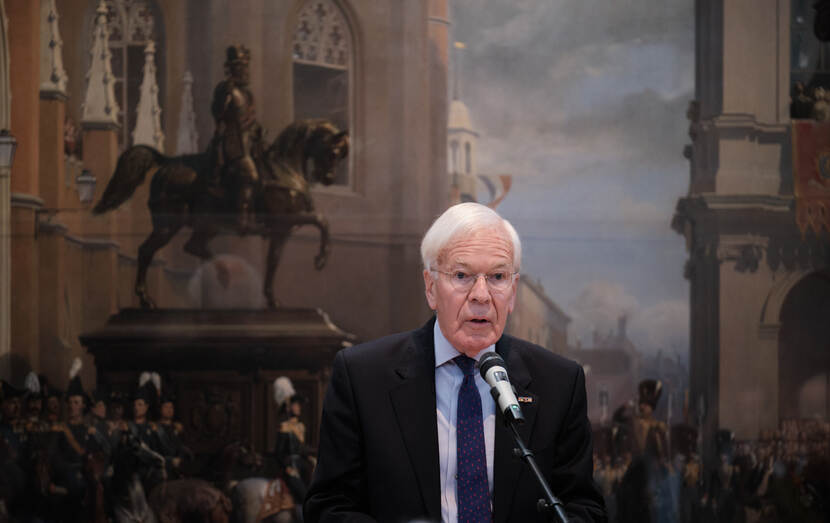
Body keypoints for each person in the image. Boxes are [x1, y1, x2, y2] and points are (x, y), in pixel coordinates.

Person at [305, 202, 606, 522]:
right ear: (431, 287)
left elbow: (583, 508)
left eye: (498, 276)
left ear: (513, 291)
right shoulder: (362, 377)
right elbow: (328, 507)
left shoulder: (558, 382)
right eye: (462, 275)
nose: (481, 294)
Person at [207, 44, 266, 233]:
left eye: (245, 67)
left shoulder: (247, 94)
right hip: (231, 142)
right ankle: (242, 219)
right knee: (250, 174)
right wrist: (225, 93)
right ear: (231, 69)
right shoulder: (225, 89)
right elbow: (218, 112)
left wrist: (258, 130)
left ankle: (258, 212)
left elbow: (249, 120)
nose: (244, 71)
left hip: (248, 142)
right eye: (240, 67)